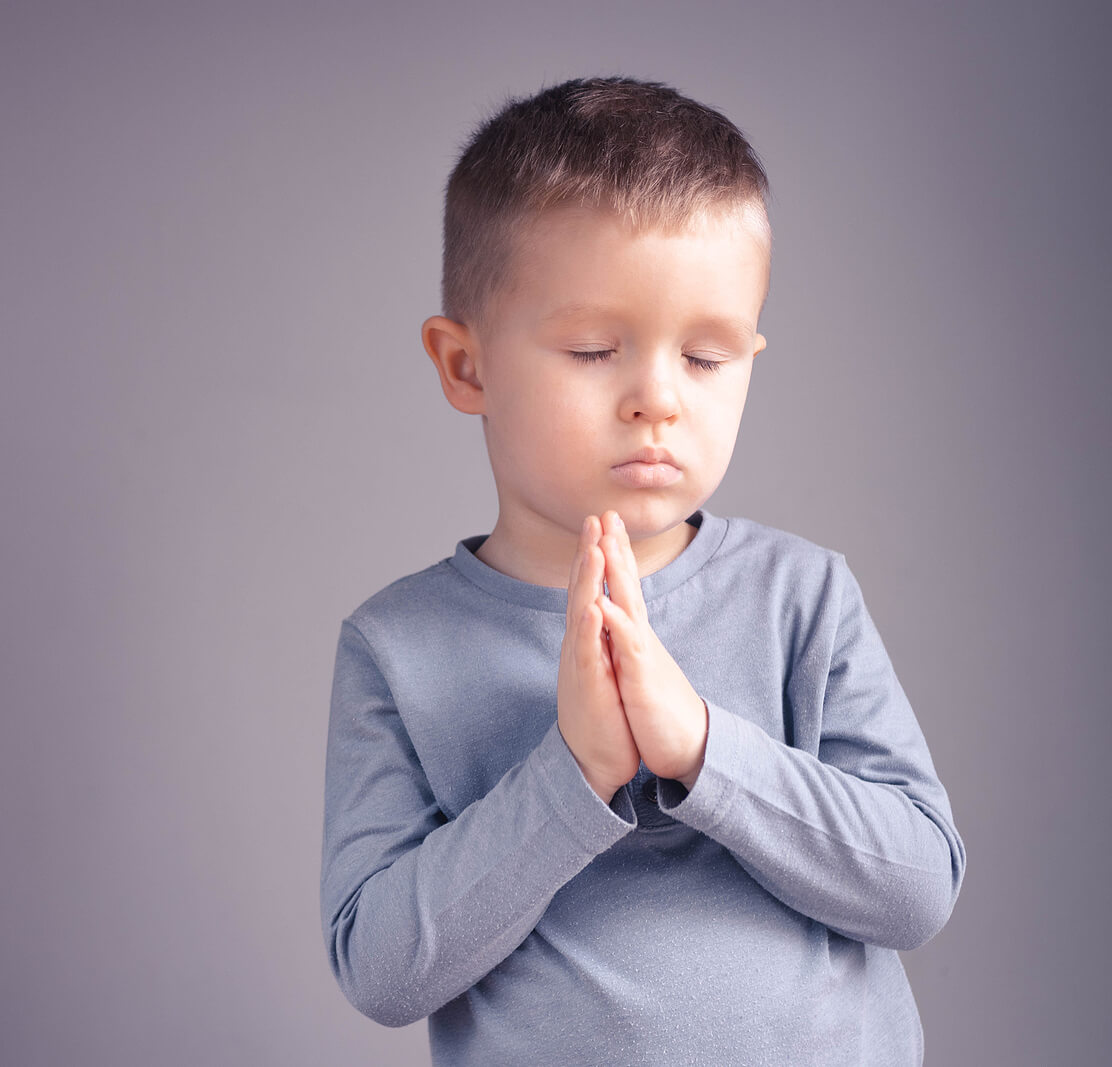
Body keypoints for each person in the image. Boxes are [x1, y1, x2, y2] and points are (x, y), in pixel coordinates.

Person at [318, 76, 966, 1065]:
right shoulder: (397, 647)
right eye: (592, 348)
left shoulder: (803, 597)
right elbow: (382, 969)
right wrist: (573, 774)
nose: (657, 398)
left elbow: (917, 885)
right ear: (466, 366)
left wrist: (704, 747)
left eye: (705, 357)